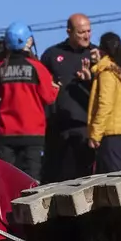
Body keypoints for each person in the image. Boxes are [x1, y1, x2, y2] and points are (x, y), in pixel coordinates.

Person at [0, 22, 59, 180]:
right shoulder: (37, 67)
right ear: (28, 42)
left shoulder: (0, 69)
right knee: (31, 180)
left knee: (6, 179)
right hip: (32, 132)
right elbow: (48, 97)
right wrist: (55, 88)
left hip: (6, 132)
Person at [39, 13, 97, 182]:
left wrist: (90, 80)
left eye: (89, 31)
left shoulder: (96, 55)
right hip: (57, 126)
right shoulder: (52, 54)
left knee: (84, 178)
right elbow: (41, 86)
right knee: (55, 176)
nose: (86, 36)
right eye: (81, 32)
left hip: (84, 126)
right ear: (69, 32)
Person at [87, 32, 121, 171]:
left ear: (101, 50)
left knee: (112, 178)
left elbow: (105, 105)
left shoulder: (107, 72)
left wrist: (95, 134)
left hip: (111, 132)